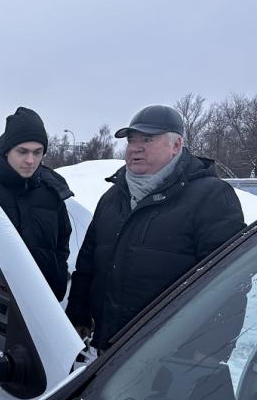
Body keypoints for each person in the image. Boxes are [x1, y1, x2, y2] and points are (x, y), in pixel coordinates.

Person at [66, 104, 246, 351]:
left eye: (148, 139)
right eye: (131, 140)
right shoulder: (112, 198)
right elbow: (87, 266)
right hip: (108, 352)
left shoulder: (211, 198)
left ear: (176, 145)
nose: (135, 147)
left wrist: (210, 349)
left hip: (170, 357)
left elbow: (229, 283)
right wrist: (78, 315)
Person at [0, 107, 72, 300]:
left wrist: (57, 281)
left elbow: (61, 245)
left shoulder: (52, 191)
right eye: (22, 152)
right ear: (7, 150)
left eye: (38, 152)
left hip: (40, 304)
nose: (30, 160)